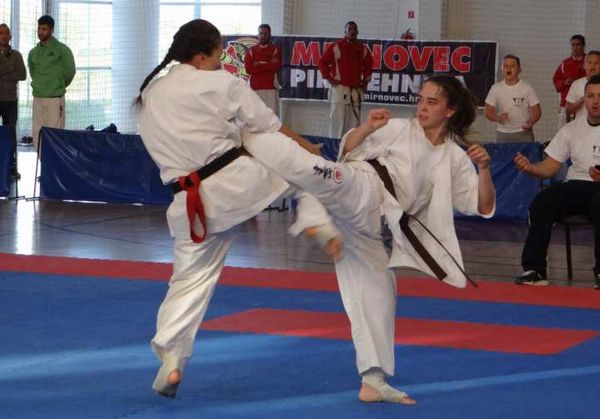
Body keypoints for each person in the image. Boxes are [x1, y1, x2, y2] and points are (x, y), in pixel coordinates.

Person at [243, 74, 495, 404]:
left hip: (372, 227)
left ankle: (373, 381)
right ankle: (252, 140)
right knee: (317, 172)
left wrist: (484, 169)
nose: (422, 107)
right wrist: (367, 128)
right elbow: (348, 149)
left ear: (450, 110)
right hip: (363, 186)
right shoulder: (399, 128)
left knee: (380, 294)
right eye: (421, 100)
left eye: (432, 102)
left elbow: (482, 206)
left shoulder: (456, 159)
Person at [136, 19, 323, 399]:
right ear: (200, 57)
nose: (222, 60)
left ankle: (171, 358)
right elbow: (270, 126)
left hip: (187, 202)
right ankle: (316, 215)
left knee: (188, 282)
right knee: (285, 158)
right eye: (219, 54)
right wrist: (308, 147)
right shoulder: (223, 83)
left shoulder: (151, 92)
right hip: (239, 184)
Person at [514, 74, 600, 289]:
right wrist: (530, 167)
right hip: (575, 185)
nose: (596, 101)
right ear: (585, 99)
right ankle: (535, 270)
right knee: (542, 202)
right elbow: (549, 168)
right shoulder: (571, 129)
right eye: (591, 96)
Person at [27, 15, 76, 154]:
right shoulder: (33, 53)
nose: (40, 32)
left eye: (44, 29)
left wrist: (58, 85)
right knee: (37, 132)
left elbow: (70, 71)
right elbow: (33, 72)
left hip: (55, 98)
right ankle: (42, 163)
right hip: (38, 97)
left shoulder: (62, 50)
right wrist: (40, 85)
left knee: (55, 133)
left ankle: (54, 164)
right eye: (39, 28)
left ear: (51, 30)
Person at [318, 21, 373, 139]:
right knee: (337, 122)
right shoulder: (337, 46)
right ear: (345, 32)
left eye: (354, 29)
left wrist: (365, 82)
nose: (352, 31)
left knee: (354, 124)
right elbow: (322, 62)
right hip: (340, 89)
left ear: (357, 32)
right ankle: (334, 146)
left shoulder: (363, 49)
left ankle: (352, 146)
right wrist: (329, 79)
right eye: (350, 29)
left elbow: (369, 65)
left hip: (355, 90)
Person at [484, 55, 541, 142]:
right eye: (505, 66)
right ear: (502, 69)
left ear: (519, 69)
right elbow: (488, 111)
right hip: (503, 133)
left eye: (512, 66)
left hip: (523, 132)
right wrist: (497, 118)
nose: (508, 69)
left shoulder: (527, 88)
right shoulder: (495, 88)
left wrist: (531, 122)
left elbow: (537, 111)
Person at [0, 23, 26, 179]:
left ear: (10, 36)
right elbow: (15, 73)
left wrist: (3, 73)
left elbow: (22, 75)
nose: (3, 35)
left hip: (10, 101)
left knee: (10, 135)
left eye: (6, 33)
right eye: (1, 33)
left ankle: (11, 167)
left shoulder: (17, 55)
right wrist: (11, 70)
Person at [243, 23, 281, 115]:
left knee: (271, 116)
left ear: (270, 35)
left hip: (271, 88)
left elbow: (275, 66)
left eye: (266, 34)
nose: (263, 36)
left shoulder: (276, 50)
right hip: (255, 88)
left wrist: (258, 64)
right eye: (261, 33)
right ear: (258, 35)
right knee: (255, 116)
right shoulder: (251, 51)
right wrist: (267, 64)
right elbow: (248, 69)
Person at [553, 34, 586, 128]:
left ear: (583, 46)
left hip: (583, 104)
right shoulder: (565, 63)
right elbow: (556, 80)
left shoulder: (588, 62)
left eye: (578, 44)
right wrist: (564, 83)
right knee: (563, 131)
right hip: (567, 103)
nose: (575, 47)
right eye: (573, 44)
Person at [565, 50, 600, 120]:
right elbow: (568, 110)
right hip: (581, 125)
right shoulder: (576, 84)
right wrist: (580, 102)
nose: (593, 66)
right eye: (589, 63)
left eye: (596, 63)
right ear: (584, 65)